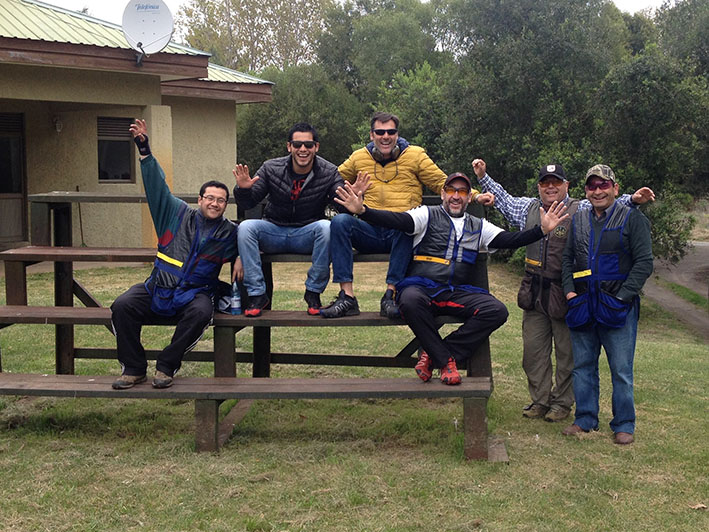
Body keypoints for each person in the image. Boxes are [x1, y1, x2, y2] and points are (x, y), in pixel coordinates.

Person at [334, 172, 568, 384]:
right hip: (421, 289)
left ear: (468, 198)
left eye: (462, 192)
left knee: (496, 310)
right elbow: (397, 221)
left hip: (454, 292)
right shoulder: (426, 214)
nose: (456, 196)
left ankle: (436, 354)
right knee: (409, 300)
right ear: (443, 194)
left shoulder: (479, 226)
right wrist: (364, 212)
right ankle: (445, 361)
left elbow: (510, 240)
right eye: (451, 190)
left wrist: (541, 231)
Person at [473, 159, 655, 422]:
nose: (550, 187)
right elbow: (503, 199)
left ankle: (561, 403)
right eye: (545, 183)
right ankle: (540, 401)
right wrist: (483, 176)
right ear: (539, 187)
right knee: (533, 354)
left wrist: (634, 200)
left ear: (566, 185)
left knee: (567, 355)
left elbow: (606, 201)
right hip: (534, 292)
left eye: (556, 183)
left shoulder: (579, 208)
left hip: (566, 293)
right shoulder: (527, 208)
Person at [322, 111, 493, 319]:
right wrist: (350, 190)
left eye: (391, 132)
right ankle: (347, 297)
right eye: (380, 132)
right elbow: (331, 182)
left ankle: (391, 295)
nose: (385, 136)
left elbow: (441, 182)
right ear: (371, 135)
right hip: (369, 230)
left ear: (397, 134)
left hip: (402, 234)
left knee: (407, 225)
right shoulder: (359, 157)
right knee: (340, 221)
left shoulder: (415, 155)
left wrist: (474, 196)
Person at [111, 119, 238, 390]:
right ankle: (133, 368)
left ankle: (167, 366)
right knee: (122, 305)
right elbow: (156, 187)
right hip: (157, 287)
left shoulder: (230, 232)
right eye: (210, 198)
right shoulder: (174, 213)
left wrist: (241, 257)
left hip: (196, 293)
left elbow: (253, 242)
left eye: (221, 200)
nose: (215, 203)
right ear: (199, 199)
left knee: (202, 313)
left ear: (226, 205)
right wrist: (144, 151)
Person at [561, 164, 653, 445]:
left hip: (618, 308)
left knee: (621, 370)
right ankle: (585, 419)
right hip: (583, 304)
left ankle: (624, 424)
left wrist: (623, 296)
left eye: (603, 185)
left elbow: (644, 263)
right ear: (586, 190)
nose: (598, 191)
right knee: (582, 366)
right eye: (592, 186)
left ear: (615, 188)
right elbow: (567, 260)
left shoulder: (633, 218)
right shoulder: (578, 219)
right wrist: (569, 292)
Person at [232, 123, 351, 316]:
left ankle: (313, 292)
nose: (303, 149)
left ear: (316, 147)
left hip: (307, 233)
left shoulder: (329, 171)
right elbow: (248, 203)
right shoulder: (271, 167)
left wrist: (353, 199)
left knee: (327, 227)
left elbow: (342, 205)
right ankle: (257, 295)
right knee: (246, 227)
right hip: (273, 230)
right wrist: (243, 190)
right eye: (297, 144)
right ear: (289, 147)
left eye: (308, 145)